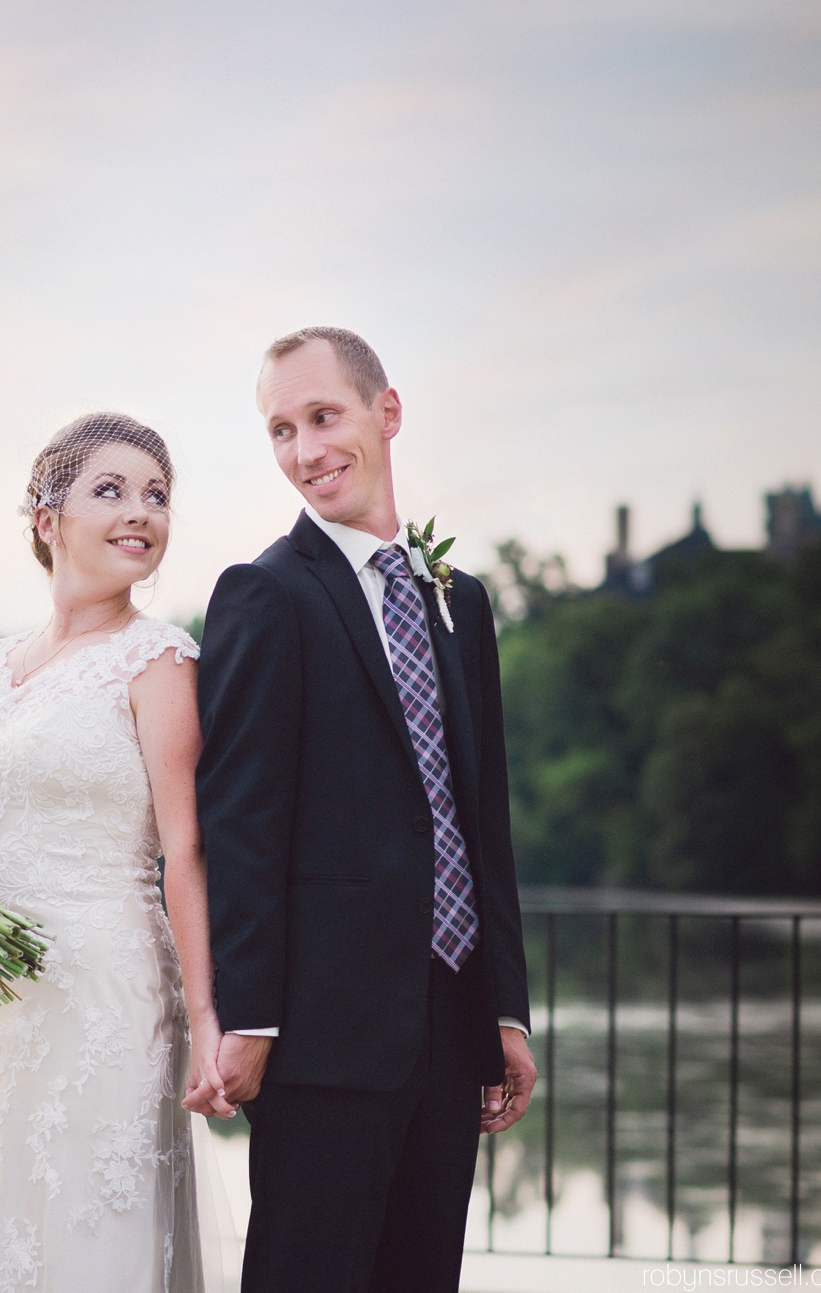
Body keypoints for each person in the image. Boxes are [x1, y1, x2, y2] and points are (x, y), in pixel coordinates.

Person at [193, 327, 537, 1293]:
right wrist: (248, 1014)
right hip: (321, 1036)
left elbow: (486, 823)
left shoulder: (458, 600)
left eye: (323, 416)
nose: (306, 450)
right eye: (281, 429)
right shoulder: (265, 594)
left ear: (386, 412)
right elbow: (242, 821)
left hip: (450, 1021)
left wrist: (505, 1008)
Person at [0, 412, 237, 1293]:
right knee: (5, 1218)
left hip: (111, 995)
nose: (141, 511)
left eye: (157, 495)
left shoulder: (161, 660)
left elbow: (188, 848)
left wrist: (207, 1017)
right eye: (112, 489)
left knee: (96, 1229)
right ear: (46, 517)